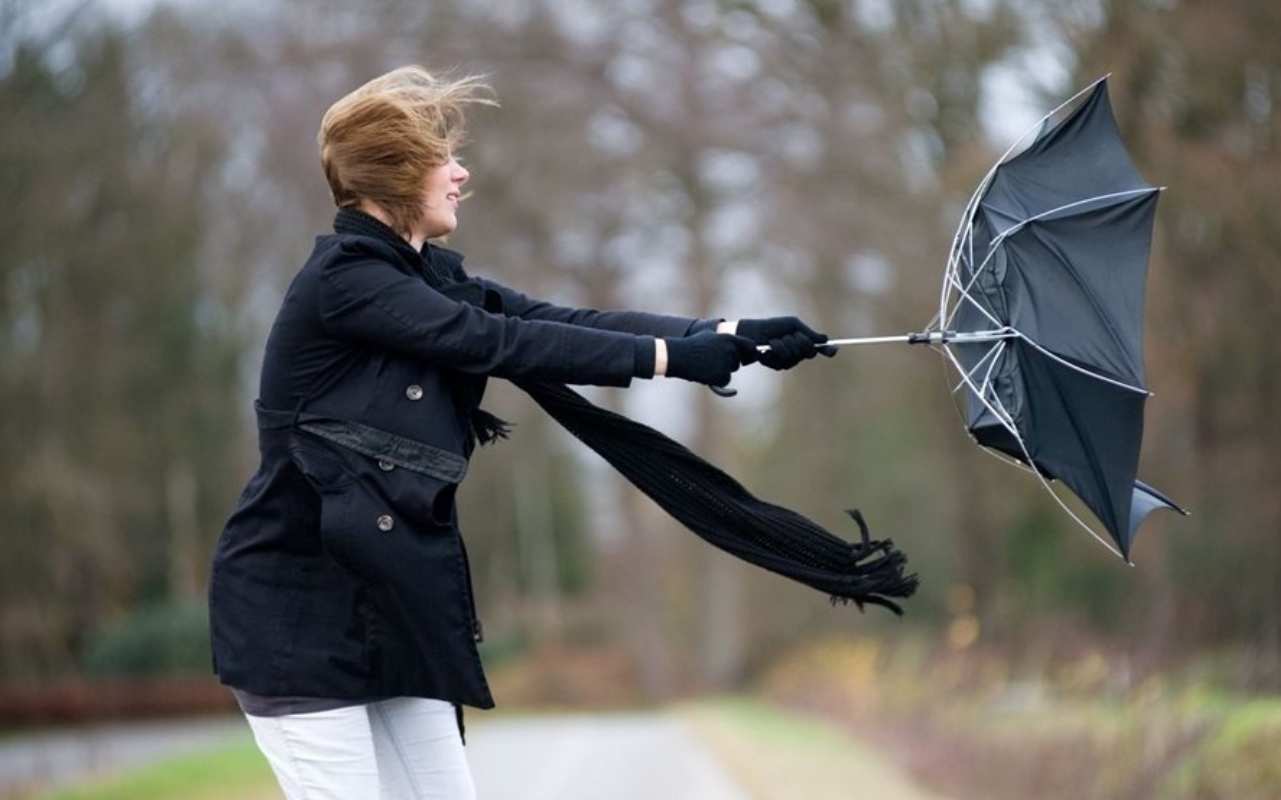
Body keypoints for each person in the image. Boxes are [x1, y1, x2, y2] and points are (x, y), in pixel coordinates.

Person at [206, 65, 834, 799]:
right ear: (397, 172)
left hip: (389, 611)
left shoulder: (419, 277)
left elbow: (552, 322)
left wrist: (725, 333)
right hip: (299, 620)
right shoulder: (346, 281)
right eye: (444, 158)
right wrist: (670, 359)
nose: (461, 173)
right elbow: (495, 342)